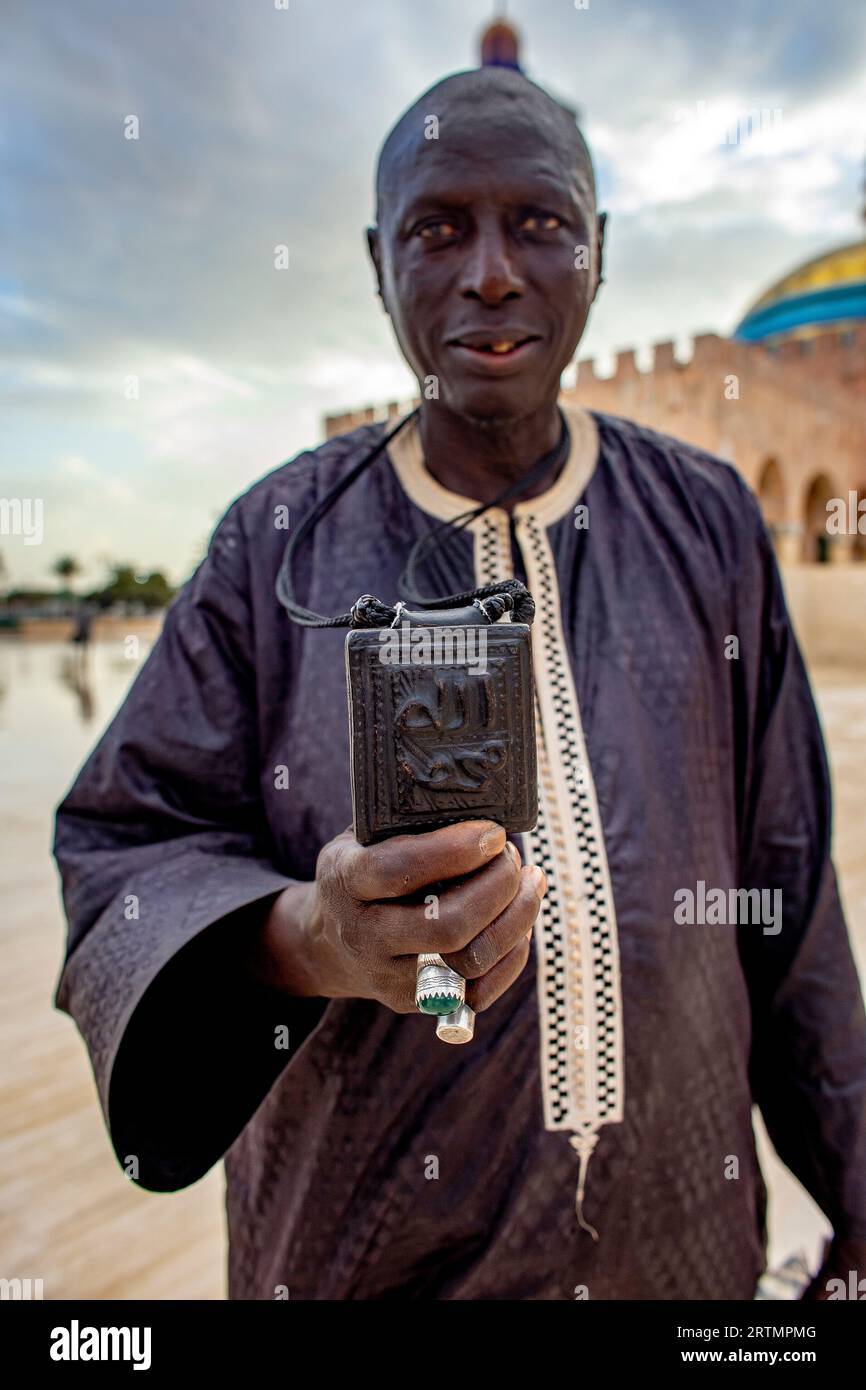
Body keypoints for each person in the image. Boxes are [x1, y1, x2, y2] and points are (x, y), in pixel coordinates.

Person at [53, 65, 866, 1300]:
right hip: (370, 1261)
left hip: (685, 1264)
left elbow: (789, 908)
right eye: (439, 228)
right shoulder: (273, 542)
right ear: (379, 262)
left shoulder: (706, 525)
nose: (491, 272)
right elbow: (120, 847)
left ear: (599, 252)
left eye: (538, 223)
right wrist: (313, 938)